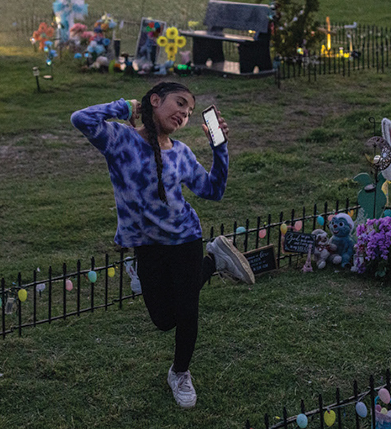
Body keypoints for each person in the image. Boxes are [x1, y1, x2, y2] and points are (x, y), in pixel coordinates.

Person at [71, 82, 254, 409]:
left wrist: (220, 147)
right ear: (154, 101)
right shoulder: (120, 140)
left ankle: (180, 372)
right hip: (147, 247)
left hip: (185, 239)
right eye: (179, 103)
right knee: (163, 319)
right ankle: (214, 261)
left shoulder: (181, 153)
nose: (184, 113)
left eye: (189, 111)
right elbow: (81, 118)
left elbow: (213, 191)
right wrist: (126, 107)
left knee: (187, 311)